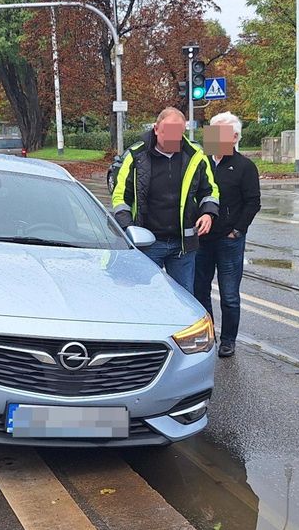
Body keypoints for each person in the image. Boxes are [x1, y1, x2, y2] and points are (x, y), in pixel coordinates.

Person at [110, 107, 219, 289]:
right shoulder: (136, 156)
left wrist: (208, 213)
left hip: (182, 245)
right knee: (145, 295)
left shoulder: (195, 156)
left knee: (184, 297)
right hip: (147, 243)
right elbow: (120, 197)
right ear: (156, 129)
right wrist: (128, 229)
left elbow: (209, 190)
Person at [194, 113, 260, 358]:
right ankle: (207, 335)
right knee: (199, 291)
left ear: (234, 137)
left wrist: (237, 230)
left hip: (229, 240)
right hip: (202, 239)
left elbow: (252, 203)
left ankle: (228, 340)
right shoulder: (202, 164)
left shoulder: (244, 167)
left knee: (229, 295)